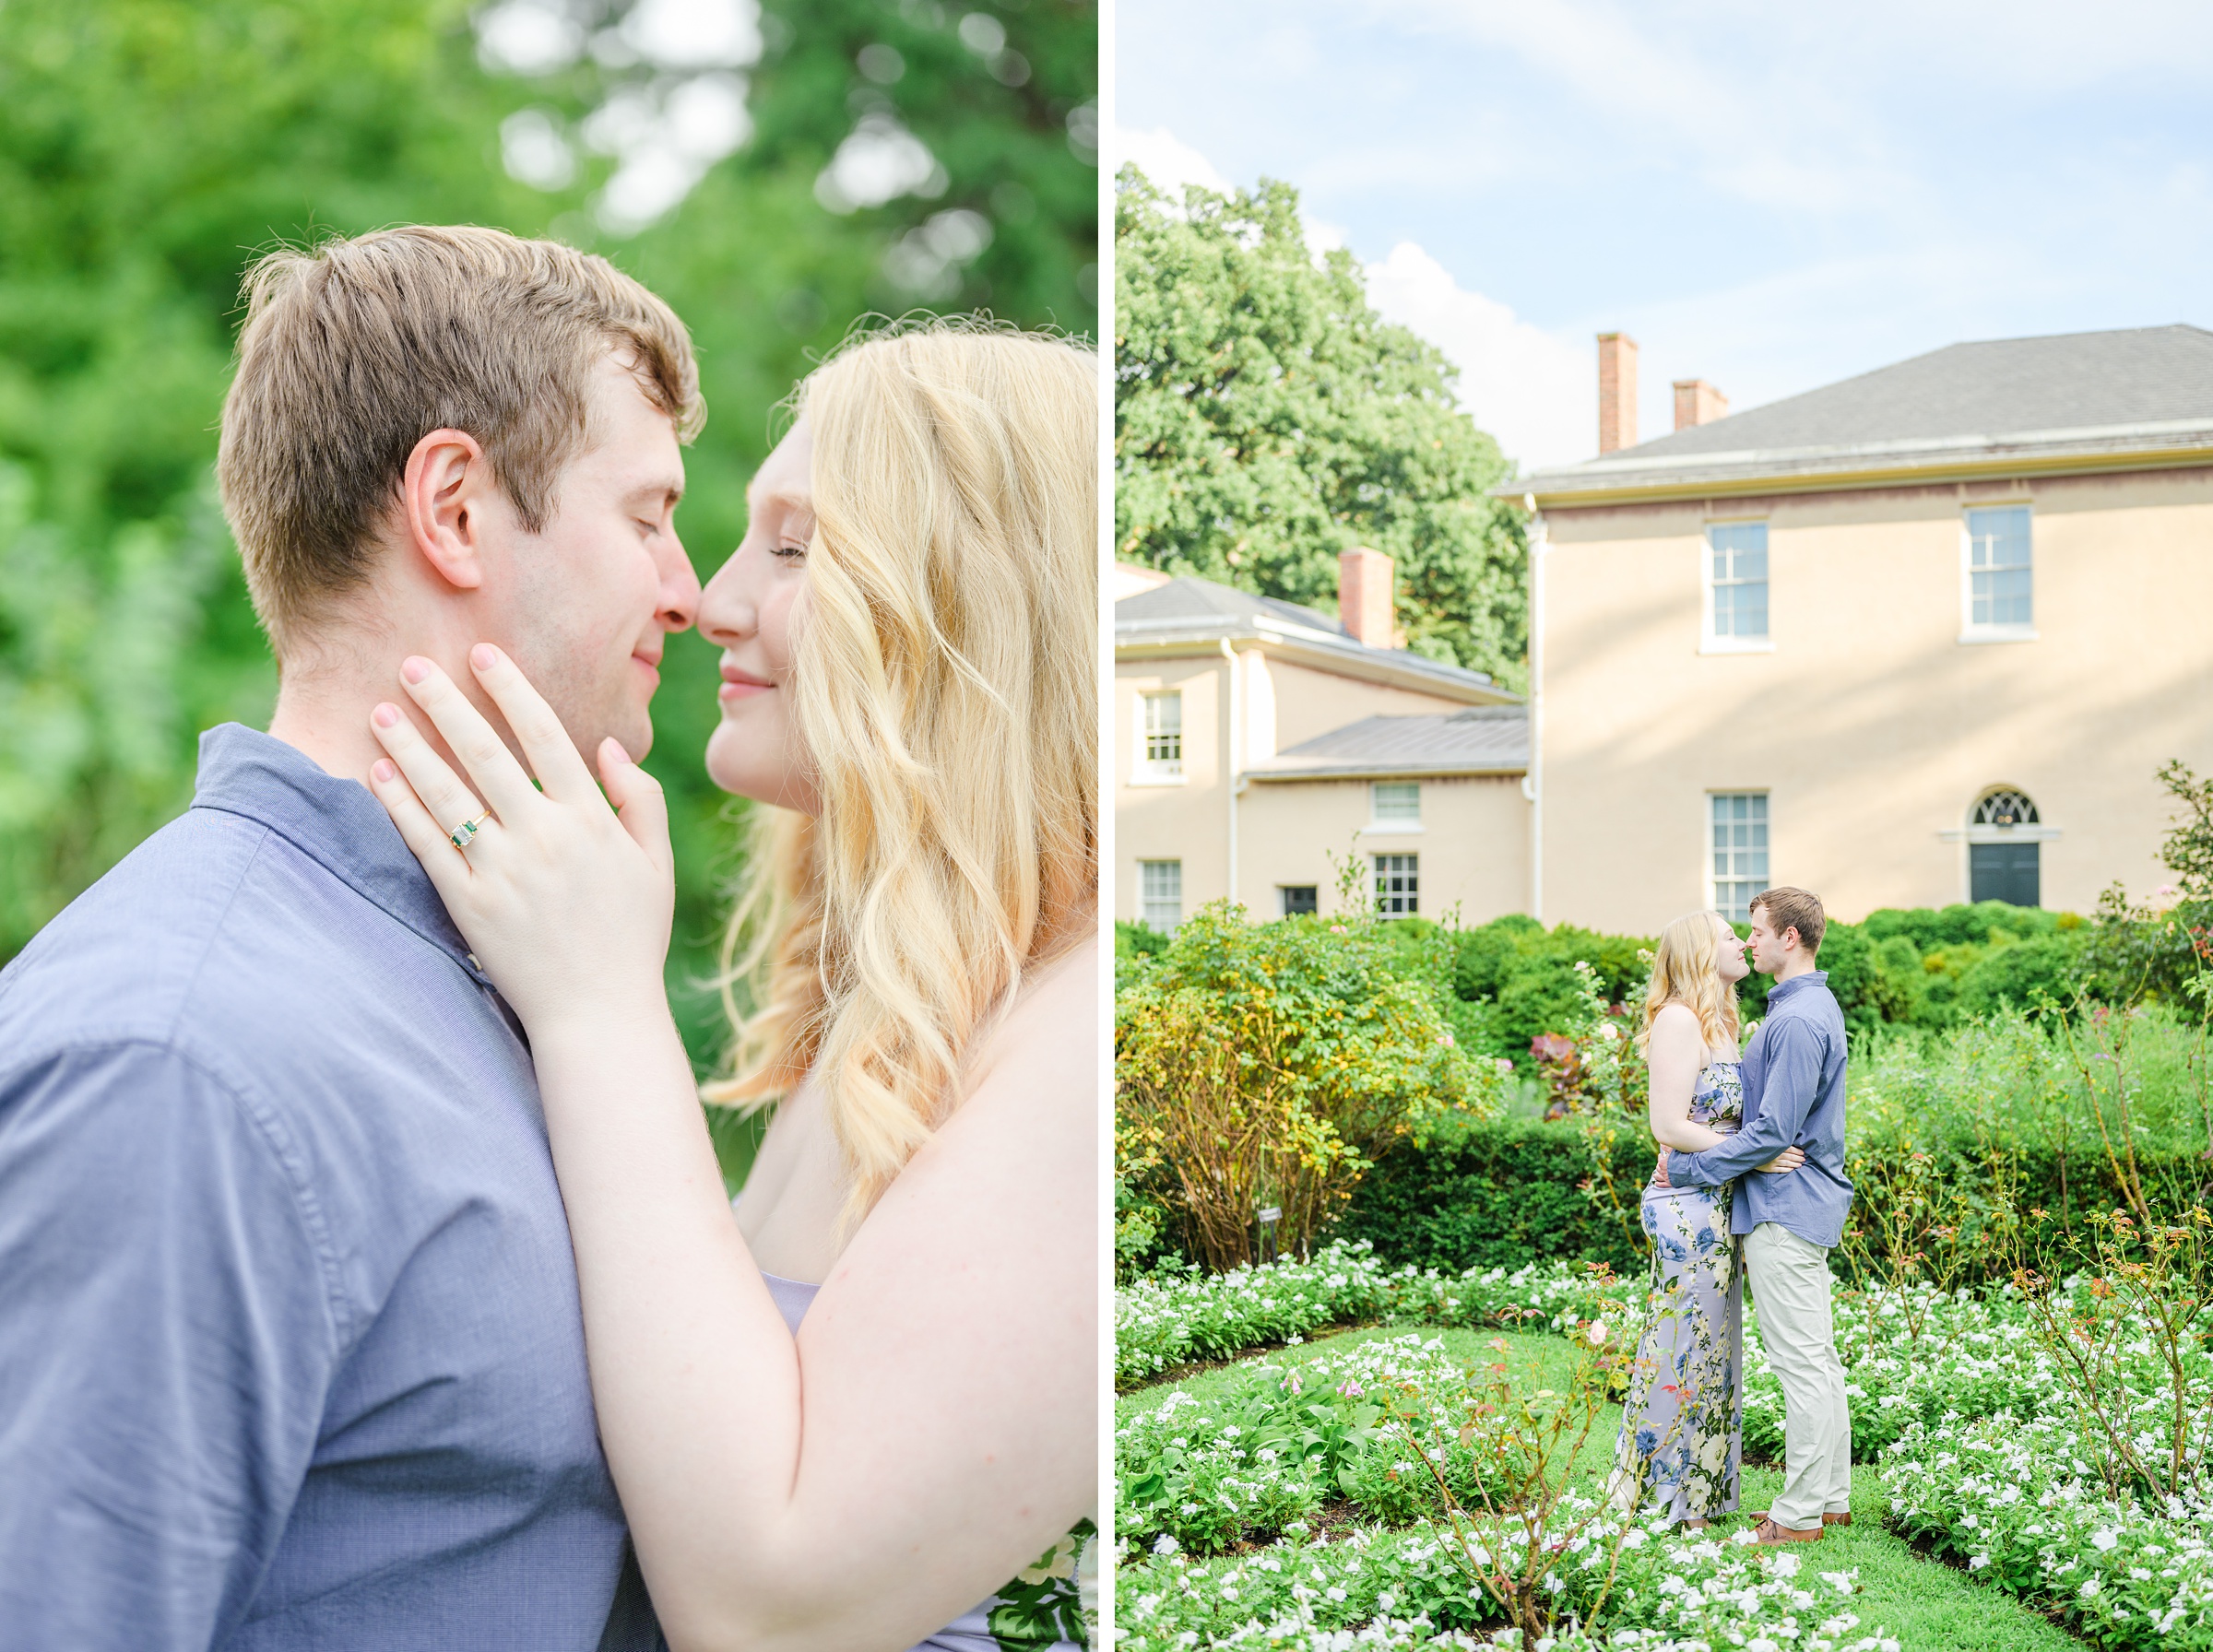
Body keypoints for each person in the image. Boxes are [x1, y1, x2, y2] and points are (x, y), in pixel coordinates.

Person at [0, 226, 702, 1646]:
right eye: (646, 517)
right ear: (453, 508)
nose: (686, 588)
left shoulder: (515, 982)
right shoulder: (182, 1065)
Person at [362, 319, 1099, 1651]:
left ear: (980, 597)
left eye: (799, 544)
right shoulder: (907, 1017)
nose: (711, 598)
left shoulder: (1082, 1038)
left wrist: (598, 1006)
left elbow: (770, 1610)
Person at [1658, 887, 1854, 1545]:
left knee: (1803, 1364)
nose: (1750, 942)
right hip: (1792, 1205)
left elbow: (1773, 1131)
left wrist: (1683, 1167)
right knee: (1817, 1360)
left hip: (1785, 1209)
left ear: (1789, 939)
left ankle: (1800, 1514)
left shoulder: (1797, 1020)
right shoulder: (1797, 1009)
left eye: (1758, 931)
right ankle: (1830, 1498)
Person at [1610, 910, 1804, 1528]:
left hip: (1719, 1198)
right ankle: (1663, 1497)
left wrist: (1752, 1152)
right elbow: (1667, 1127)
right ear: (1698, 954)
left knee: (1714, 1347)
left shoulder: (1723, 1024)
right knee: (1683, 1343)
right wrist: (1754, 1155)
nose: (1742, 943)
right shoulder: (1675, 1021)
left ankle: (1700, 1496)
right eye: (1727, 935)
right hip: (1683, 1204)